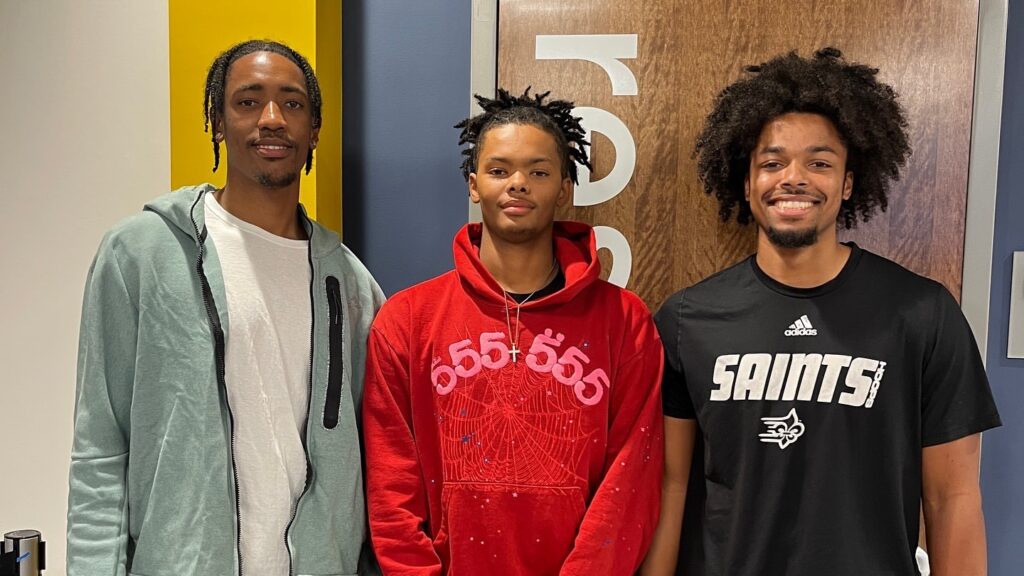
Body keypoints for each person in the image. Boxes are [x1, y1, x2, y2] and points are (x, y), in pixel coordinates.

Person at [642, 47, 1002, 576]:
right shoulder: (686, 319)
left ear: (848, 183)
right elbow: (670, 487)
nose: (793, 178)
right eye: (772, 163)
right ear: (746, 182)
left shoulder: (922, 313)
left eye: (819, 163)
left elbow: (953, 498)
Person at [66, 40, 384, 576]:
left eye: (292, 103)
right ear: (217, 122)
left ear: (314, 130)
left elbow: (377, 466)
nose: (272, 118)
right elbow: (100, 444)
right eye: (247, 101)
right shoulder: (141, 253)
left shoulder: (352, 284)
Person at [362, 88, 664, 575]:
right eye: (499, 170)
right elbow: (390, 485)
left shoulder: (625, 322)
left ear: (564, 188)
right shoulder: (407, 320)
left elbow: (630, 482)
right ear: (473, 184)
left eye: (538, 172)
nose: (518, 184)